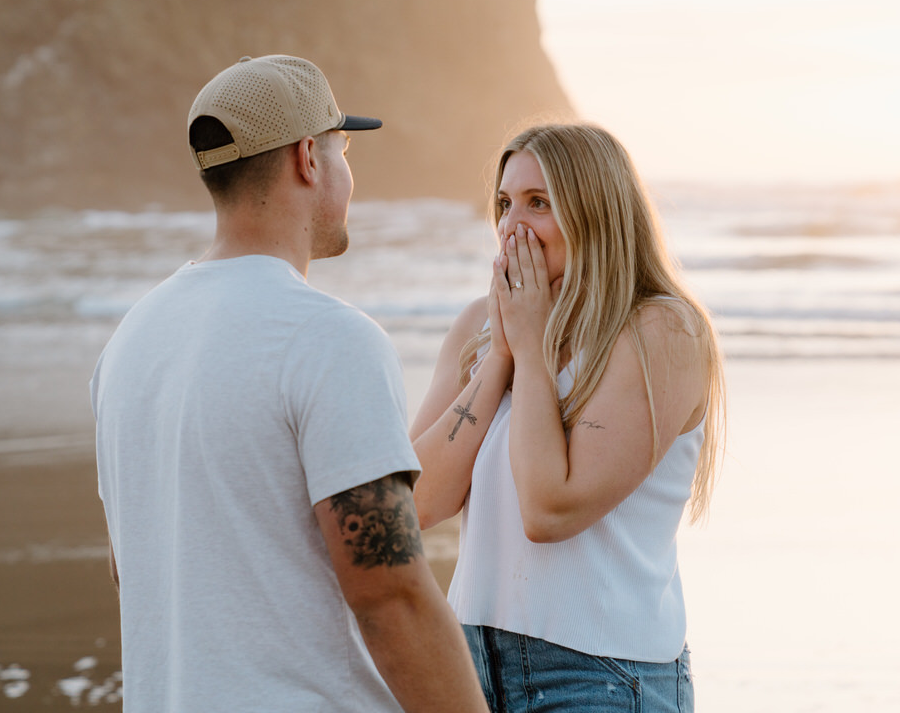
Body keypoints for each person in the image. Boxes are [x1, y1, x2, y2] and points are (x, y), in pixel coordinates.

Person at [91, 55, 487, 713]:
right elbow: (388, 591)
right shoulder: (328, 339)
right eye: (344, 150)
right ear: (309, 157)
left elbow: (128, 565)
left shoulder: (129, 343)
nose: (347, 173)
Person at [410, 123, 726, 712]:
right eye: (504, 204)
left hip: (598, 678)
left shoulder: (661, 330)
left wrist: (528, 350)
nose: (511, 224)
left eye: (539, 203)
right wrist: (499, 353)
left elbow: (550, 509)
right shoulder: (481, 326)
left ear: (595, 212)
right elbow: (417, 502)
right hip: (471, 667)